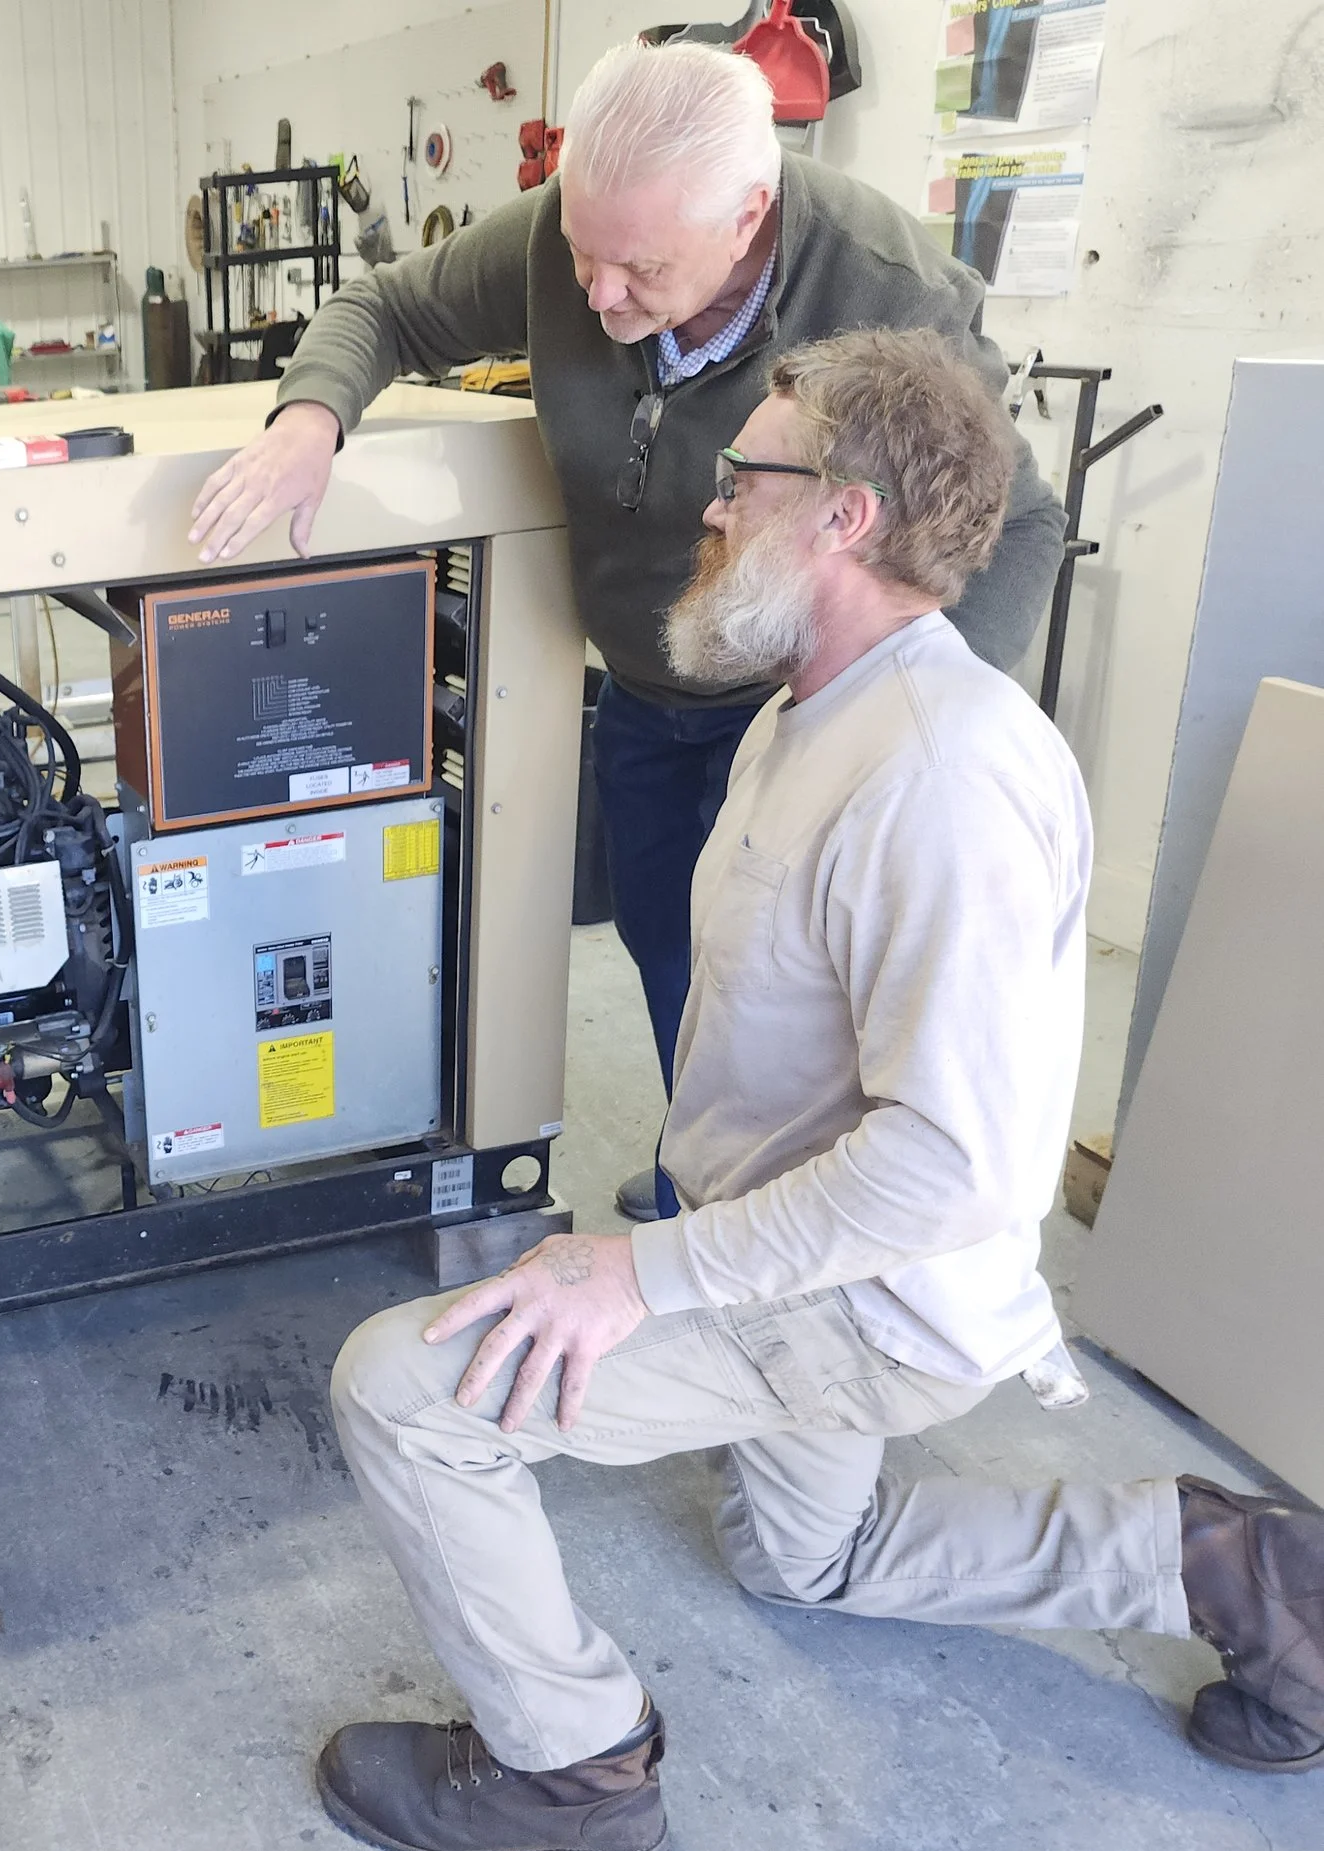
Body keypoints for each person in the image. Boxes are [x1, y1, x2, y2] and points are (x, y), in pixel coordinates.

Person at [314, 331, 1324, 1851]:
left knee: (405, 1389)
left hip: (866, 1302)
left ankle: (574, 1769)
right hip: (785, 1246)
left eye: (745, 477)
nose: (711, 505)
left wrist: (635, 1273)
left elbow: (951, 1169)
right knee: (809, 1556)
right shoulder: (813, 709)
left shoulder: (941, 778)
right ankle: (1240, 1570)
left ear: (844, 514)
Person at [188, 41, 1065, 1224]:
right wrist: (308, 419)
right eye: (581, 257)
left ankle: (777, 1241)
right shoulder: (574, 237)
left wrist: (899, 720)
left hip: (805, 712)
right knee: (677, 963)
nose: (596, 300)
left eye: (638, 268)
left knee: (798, 1005)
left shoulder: (883, 289)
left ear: (749, 212)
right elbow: (383, 305)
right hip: (655, 686)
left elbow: (1017, 521)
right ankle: (704, 1187)